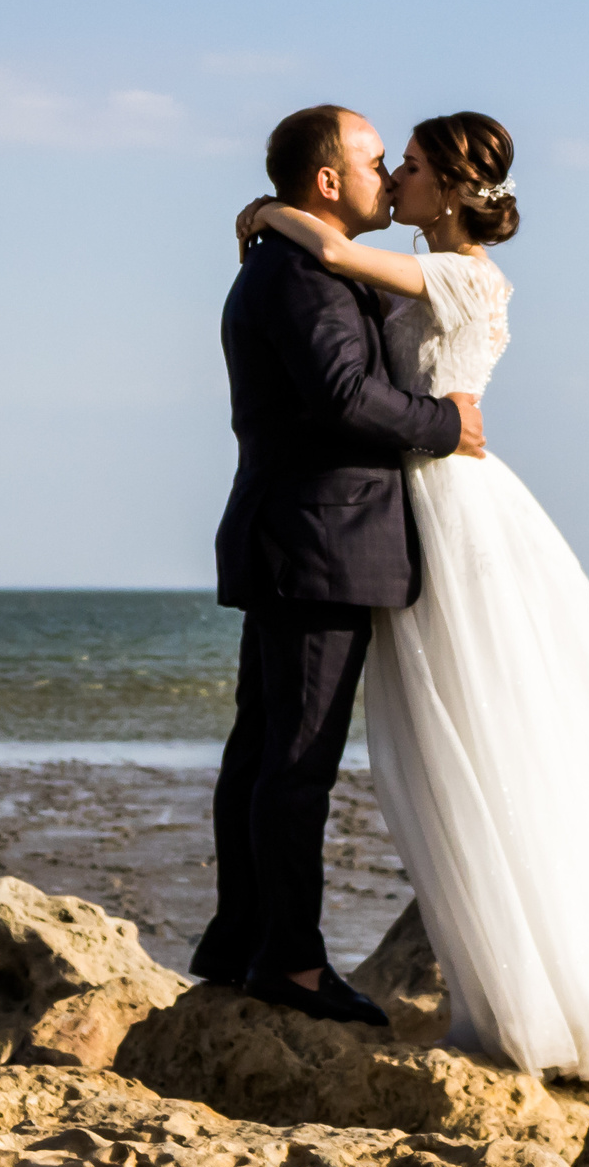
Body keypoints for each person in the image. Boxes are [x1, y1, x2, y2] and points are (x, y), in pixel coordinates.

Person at [234, 110, 589, 1089]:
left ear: (453, 191)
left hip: (456, 516)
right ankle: (509, 980)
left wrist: (266, 211)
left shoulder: (464, 274)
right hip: (414, 508)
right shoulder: (421, 267)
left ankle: (552, 991)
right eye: (390, 163)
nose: (397, 178)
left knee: (494, 734)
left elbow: (332, 249)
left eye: (410, 167)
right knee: (450, 742)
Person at [197, 104, 487, 1027]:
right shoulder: (302, 275)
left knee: (263, 750)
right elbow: (342, 397)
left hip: (299, 535)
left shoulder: (295, 260)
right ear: (327, 181)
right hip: (319, 542)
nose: (385, 177)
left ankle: (243, 940)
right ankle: (286, 960)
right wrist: (449, 425)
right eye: (373, 161)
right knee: (294, 761)